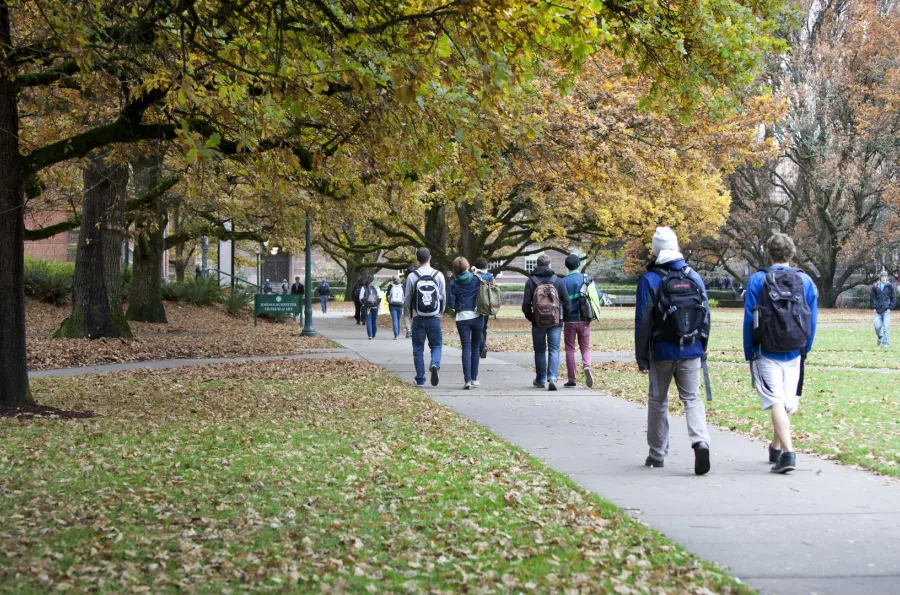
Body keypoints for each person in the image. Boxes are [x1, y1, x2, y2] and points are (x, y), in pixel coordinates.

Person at [635, 227, 712, 476]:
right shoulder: (693, 275)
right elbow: (706, 315)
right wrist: (703, 347)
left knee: (658, 401)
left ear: (656, 250)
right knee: (692, 398)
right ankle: (700, 441)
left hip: (661, 350)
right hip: (691, 347)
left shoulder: (650, 279)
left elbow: (643, 320)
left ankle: (657, 454)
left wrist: (641, 355)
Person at [743, 233, 818, 474]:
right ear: (791, 253)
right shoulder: (805, 281)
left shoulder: (758, 280)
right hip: (794, 349)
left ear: (769, 253)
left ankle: (788, 453)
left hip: (767, 349)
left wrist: (749, 351)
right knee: (785, 403)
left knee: (775, 400)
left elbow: (748, 319)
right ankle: (775, 447)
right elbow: (812, 318)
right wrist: (807, 346)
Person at [522, 254, 570, 391]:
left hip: (538, 322)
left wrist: (532, 318)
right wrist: (562, 318)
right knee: (554, 349)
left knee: (539, 350)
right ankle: (552, 378)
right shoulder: (558, 281)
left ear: (537, 265)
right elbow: (566, 302)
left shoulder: (531, 281)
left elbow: (525, 305)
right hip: (555, 321)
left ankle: (540, 379)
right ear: (550, 265)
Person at [404, 247, 446, 387]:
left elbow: (408, 298)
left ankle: (420, 379)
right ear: (430, 258)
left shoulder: (412, 276)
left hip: (418, 317)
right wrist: (440, 312)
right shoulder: (438, 275)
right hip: (434, 317)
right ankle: (434, 364)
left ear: (417, 259)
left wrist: (409, 312)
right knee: (437, 345)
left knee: (418, 348)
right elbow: (442, 296)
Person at [448, 257, 485, 389]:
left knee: (466, 348)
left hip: (462, 317)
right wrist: (476, 272)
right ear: (467, 266)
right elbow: (488, 281)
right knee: (475, 348)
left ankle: (467, 380)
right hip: (477, 316)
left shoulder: (453, 282)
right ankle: (474, 379)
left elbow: (451, 303)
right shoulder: (476, 279)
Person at [562, 254, 594, 388]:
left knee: (570, 349)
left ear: (566, 266)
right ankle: (587, 365)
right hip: (584, 319)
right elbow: (596, 296)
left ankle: (572, 379)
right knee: (585, 347)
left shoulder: (563, 281)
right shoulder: (587, 279)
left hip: (569, 320)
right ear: (578, 265)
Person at [472, 257, 495, 359]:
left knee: (477, 328)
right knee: (484, 327)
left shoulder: (475, 276)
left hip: (476, 305)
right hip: (487, 305)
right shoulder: (490, 277)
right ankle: (482, 348)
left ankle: (482, 346)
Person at [870, 269, 895, 348]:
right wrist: (873, 307)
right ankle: (880, 336)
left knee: (886, 327)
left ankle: (886, 344)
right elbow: (872, 297)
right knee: (877, 327)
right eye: (882, 277)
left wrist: (890, 308)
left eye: (885, 277)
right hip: (877, 311)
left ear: (887, 278)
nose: (884, 278)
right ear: (880, 278)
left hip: (886, 310)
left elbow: (893, 298)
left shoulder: (890, 287)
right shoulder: (875, 286)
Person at [359, 275, 383, 340]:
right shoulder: (376, 287)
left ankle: (370, 335)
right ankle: (374, 334)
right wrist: (377, 304)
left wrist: (364, 304)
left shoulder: (364, 288)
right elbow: (380, 297)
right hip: (375, 307)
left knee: (368, 320)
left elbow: (360, 298)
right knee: (374, 320)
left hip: (367, 307)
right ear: (373, 280)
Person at [387, 275, 406, 340]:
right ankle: (398, 334)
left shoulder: (390, 286)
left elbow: (387, 296)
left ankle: (396, 335)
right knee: (398, 320)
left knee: (394, 320)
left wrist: (389, 301)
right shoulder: (402, 286)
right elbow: (405, 296)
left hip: (392, 305)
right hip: (400, 305)